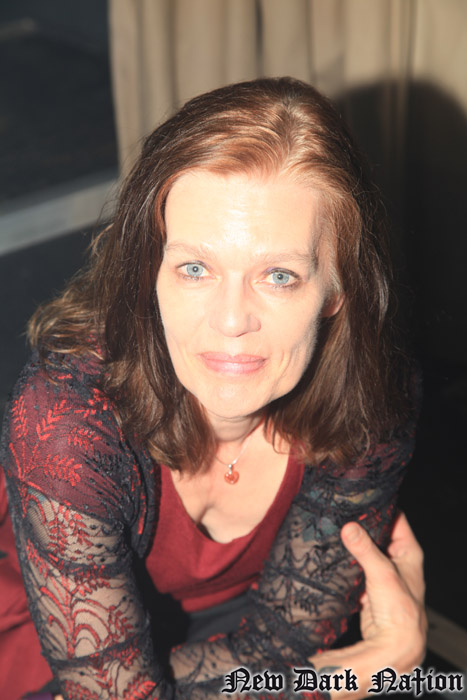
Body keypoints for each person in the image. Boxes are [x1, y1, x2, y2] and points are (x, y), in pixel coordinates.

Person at [1, 77, 422, 699]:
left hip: (244, 636)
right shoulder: (67, 421)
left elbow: (281, 647)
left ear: (336, 291)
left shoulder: (370, 394)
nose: (230, 321)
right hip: (54, 644)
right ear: (150, 272)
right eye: (195, 268)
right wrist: (345, 681)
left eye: (279, 276)